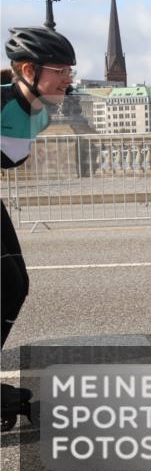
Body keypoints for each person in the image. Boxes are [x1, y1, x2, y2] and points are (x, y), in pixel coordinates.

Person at [1, 27, 76, 429]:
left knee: (14, 285)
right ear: (29, 69)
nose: (69, 79)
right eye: (60, 70)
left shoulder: (42, 113)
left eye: (70, 70)